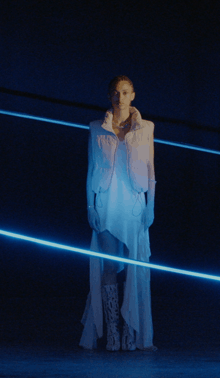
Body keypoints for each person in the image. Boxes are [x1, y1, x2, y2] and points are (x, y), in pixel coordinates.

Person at [79, 75, 156, 351]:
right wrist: (90, 206)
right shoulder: (96, 128)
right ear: (109, 95)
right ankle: (112, 329)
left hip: (133, 204)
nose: (119, 97)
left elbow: (150, 170)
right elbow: (90, 170)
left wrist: (150, 205)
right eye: (115, 92)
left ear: (132, 95)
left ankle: (130, 329)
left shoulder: (146, 128)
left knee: (134, 267)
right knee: (109, 265)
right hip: (106, 203)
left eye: (124, 92)